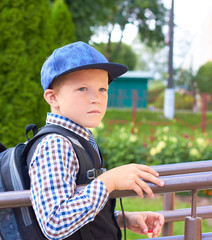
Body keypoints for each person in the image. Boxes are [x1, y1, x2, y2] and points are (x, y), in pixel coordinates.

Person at [29, 41, 165, 240]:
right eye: (83, 89)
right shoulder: (55, 144)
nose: (96, 98)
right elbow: (54, 221)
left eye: (102, 89)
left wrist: (121, 219)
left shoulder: (79, 137)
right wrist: (108, 182)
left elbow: (78, 204)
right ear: (53, 98)